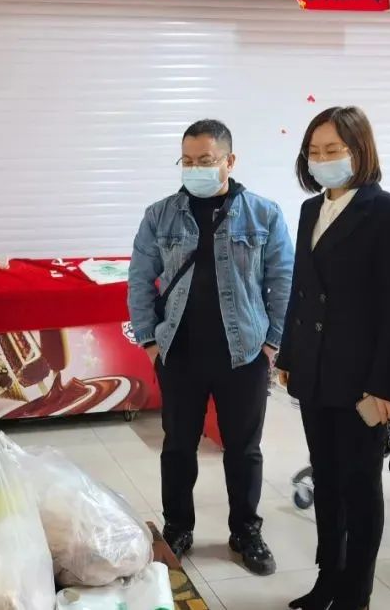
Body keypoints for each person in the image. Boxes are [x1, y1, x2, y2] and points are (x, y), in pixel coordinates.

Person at [127, 119, 294, 575]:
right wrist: (150, 341)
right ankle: (178, 527)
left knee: (244, 449)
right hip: (179, 353)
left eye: (205, 160)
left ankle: (246, 531)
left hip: (245, 353)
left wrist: (272, 344)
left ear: (229, 161)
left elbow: (283, 281)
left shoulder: (264, 214)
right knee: (178, 447)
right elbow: (140, 279)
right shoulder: (160, 215)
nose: (195, 169)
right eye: (187, 161)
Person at [276, 107, 390, 610]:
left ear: (359, 151)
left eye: (332, 150)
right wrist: (289, 354)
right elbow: (300, 290)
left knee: (360, 486)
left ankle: (356, 592)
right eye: (314, 152)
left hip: (362, 379)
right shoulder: (310, 209)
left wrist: (385, 386)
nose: (322, 160)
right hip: (314, 370)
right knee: (327, 478)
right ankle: (328, 579)